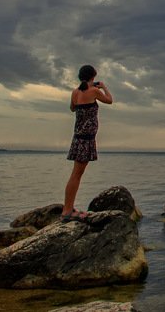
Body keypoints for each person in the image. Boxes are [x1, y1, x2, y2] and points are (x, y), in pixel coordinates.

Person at [62, 64, 113, 222]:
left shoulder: (75, 92)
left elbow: (72, 108)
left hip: (78, 137)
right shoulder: (94, 91)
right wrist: (103, 87)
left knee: (76, 174)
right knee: (76, 175)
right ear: (92, 77)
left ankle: (68, 208)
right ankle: (67, 211)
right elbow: (110, 100)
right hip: (86, 138)